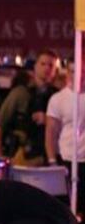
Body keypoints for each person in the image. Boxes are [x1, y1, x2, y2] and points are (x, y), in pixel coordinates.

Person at [0, 50, 59, 164]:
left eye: (51, 65)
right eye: (43, 64)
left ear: (55, 70)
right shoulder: (20, 93)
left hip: (49, 157)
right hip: (21, 156)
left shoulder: (58, 96)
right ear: (35, 66)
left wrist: (48, 120)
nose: (47, 68)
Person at [45, 61, 85, 213]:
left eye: (82, 70)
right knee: (66, 208)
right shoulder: (58, 99)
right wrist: (52, 161)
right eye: (74, 71)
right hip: (66, 159)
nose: (79, 75)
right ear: (67, 73)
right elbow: (51, 132)